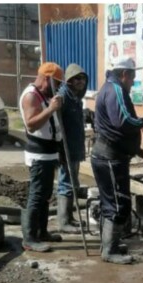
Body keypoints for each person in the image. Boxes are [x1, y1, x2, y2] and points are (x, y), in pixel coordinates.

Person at [92, 57, 143, 264]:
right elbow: (123, 122)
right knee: (118, 205)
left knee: (111, 202)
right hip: (110, 157)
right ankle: (109, 251)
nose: (133, 82)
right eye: (133, 78)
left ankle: (109, 244)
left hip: (109, 154)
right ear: (124, 74)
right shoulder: (116, 90)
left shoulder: (109, 89)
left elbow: (115, 129)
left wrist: (137, 150)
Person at [19, 62, 65, 252]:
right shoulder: (31, 96)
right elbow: (31, 124)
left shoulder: (43, 94)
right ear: (46, 79)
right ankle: (29, 238)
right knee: (37, 196)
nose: (58, 88)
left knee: (45, 195)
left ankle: (42, 232)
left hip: (49, 152)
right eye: (56, 83)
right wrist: (51, 109)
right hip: (39, 154)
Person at [56, 64, 89, 234]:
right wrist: (61, 148)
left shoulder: (76, 98)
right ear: (69, 80)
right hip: (66, 147)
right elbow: (57, 124)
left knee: (73, 182)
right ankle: (62, 221)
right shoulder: (63, 97)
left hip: (75, 147)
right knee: (66, 183)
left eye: (82, 78)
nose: (80, 81)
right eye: (77, 78)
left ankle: (69, 217)